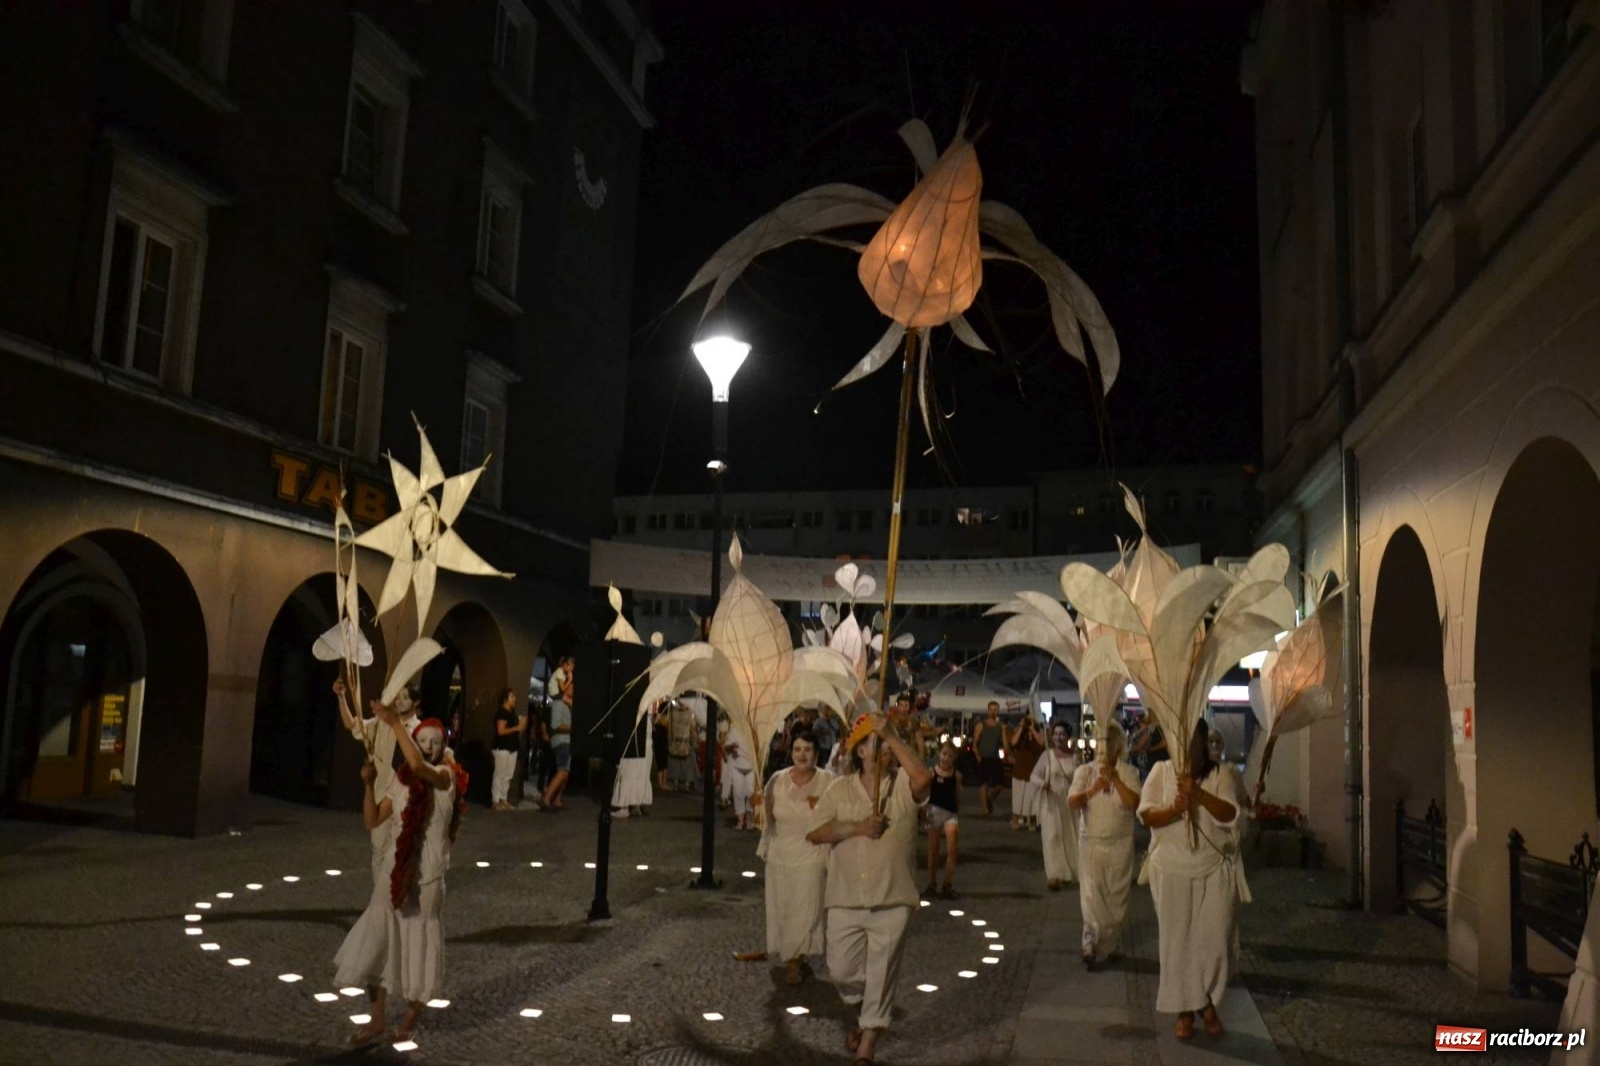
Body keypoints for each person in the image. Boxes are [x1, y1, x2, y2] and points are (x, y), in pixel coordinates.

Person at [334, 706, 468, 1048]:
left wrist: (394, 723)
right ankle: (376, 1020)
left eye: (434, 742)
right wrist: (367, 785)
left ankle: (410, 1017)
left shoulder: (446, 777)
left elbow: (422, 768)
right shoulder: (401, 778)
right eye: (422, 740)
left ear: (443, 747)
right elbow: (373, 819)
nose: (428, 747)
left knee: (419, 945)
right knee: (376, 940)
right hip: (394, 870)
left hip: (427, 876)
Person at [807, 712, 933, 1065]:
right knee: (842, 972)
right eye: (874, 745)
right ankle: (866, 1014)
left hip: (893, 896)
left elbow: (924, 777)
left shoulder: (903, 785)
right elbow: (816, 832)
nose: (882, 753)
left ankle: (867, 1045)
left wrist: (891, 734)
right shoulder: (839, 788)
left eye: (886, 748)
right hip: (845, 896)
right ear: (859, 752)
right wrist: (858, 828)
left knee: (882, 970)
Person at [1137, 719, 1248, 1041]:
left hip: (1213, 868)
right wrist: (1173, 808)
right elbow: (1145, 815)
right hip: (1171, 868)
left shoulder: (1221, 773)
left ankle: (1203, 1003)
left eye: (1192, 740)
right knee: (1178, 944)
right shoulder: (1161, 771)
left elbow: (1229, 814)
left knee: (1215, 942)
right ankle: (1189, 1012)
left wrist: (1198, 793)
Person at [752, 728, 834, 984]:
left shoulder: (828, 781)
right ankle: (793, 956)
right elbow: (765, 818)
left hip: (812, 854)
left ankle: (794, 964)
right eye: (797, 749)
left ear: (816, 754)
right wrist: (757, 803)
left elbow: (838, 814)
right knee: (784, 909)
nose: (802, 754)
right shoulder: (777, 780)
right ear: (791, 752)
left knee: (806, 908)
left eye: (807, 749)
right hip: (781, 854)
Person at [1067, 720, 1141, 966]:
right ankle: (1089, 943)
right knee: (1090, 895)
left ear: (1118, 747)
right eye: (1101, 744)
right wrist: (1094, 788)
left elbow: (1135, 804)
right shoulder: (1085, 772)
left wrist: (1117, 781)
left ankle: (1109, 945)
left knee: (1115, 896)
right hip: (1091, 841)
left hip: (1120, 842)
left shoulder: (1129, 772)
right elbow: (1073, 802)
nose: (1103, 750)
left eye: (1108, 744)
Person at [1030, 722, 1081, 890]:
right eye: (1056, 734)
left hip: (1069, 803)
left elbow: (1081, 779)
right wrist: (1042, 783)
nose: (1058, 737)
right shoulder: (1047, 755)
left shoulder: (1075, 758)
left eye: (1062, 734)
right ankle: (1054, 874)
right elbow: (1033, 776)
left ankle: (1070, 871)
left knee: (1069, 836)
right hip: (1051, 802)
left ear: (1068, 736)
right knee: (1052, 836)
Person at [923, 740, 962, 900]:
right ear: (940, 754)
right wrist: (924, 812)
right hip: (934, 811)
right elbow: (926, 793)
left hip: (950, 813)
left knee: (952, 848)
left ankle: (947, 884)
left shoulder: (957, 775)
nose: (946, 758)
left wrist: (957, 811)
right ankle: (931, 884)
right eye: (944, 754)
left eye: (950, 756)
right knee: (933, 849)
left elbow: (957, 794)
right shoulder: (932, 772)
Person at [540, 657, 574, 813]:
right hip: (561, 741)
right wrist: (571, 729)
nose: (573, 689)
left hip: (566, 741)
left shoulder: (566, 705)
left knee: (565, 773)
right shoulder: (558, 704)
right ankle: (547, 798)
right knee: (561, 771)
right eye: (571, 687)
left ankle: (557, 799)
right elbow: (555, 725)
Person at [611, 706, 653, 818]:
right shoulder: (645, 714)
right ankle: (635, 805)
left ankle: (625, 807)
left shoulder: (631, 714)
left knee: (629, 775)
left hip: (635, 747)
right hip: (645, 746)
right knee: (639, 776)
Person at [1007, 716, 1045, 831]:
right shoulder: (1020, 734)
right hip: (1020, 768)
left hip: (1033, 769)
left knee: (1031, 797)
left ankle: (1032, 821)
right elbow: (1013, 742)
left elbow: (1041, 742)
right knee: (1018, 796)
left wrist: (1033, 729)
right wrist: (1022, 727)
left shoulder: (1039, 732)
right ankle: (1015, 819)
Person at [490, 688, 525, 811]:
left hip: (512, 747)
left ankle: (503, 799)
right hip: (502, 747)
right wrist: (516, 728)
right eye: (512, 697)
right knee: (500, 773)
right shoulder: (502, 712)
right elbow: (501, 731)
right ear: (505, 699)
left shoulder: (512, 711)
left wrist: (520, 728)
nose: (514, 699)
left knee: (508, 775)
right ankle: (495, 800)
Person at [973, 701, 1006, 816]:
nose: (993, 711)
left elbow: (1005, 743)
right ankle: (985, 809)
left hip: (995, 757)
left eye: (995, 709)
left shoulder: (1000, 726)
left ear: (998, 711)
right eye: (991, 709)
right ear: (988, 710)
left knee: (1000, 785)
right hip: (984, 757)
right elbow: (975, 743)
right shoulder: (981, 725)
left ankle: (990, 798)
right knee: (983, 784)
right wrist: (978, 757)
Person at [723, 733, 756, 830]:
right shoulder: (735, 729)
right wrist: (732, 746)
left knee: (750, 792)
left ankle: (749, 818)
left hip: (751, 766)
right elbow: (726, 747)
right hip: (737, 765)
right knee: (738, 793)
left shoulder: (755, 730)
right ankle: (740, 820)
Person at [667, 697, 701, 792]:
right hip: (685, 741)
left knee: (675, 762)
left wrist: (669, 739)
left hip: (675, 740)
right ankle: (687, 783)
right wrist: (695, 741)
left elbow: (669, 728)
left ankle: (676, 782)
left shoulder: (672, 712)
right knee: (688, 763)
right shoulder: (689, 713)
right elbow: (692, 729)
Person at [652, 702, 672, 794]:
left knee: (660, 762)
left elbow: (653, 729)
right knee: (664, 763)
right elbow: (668, 731)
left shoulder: (655, 716)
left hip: (657, 742)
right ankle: (663, 782)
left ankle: (660, 782)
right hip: (664, 742)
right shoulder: (667, 719)